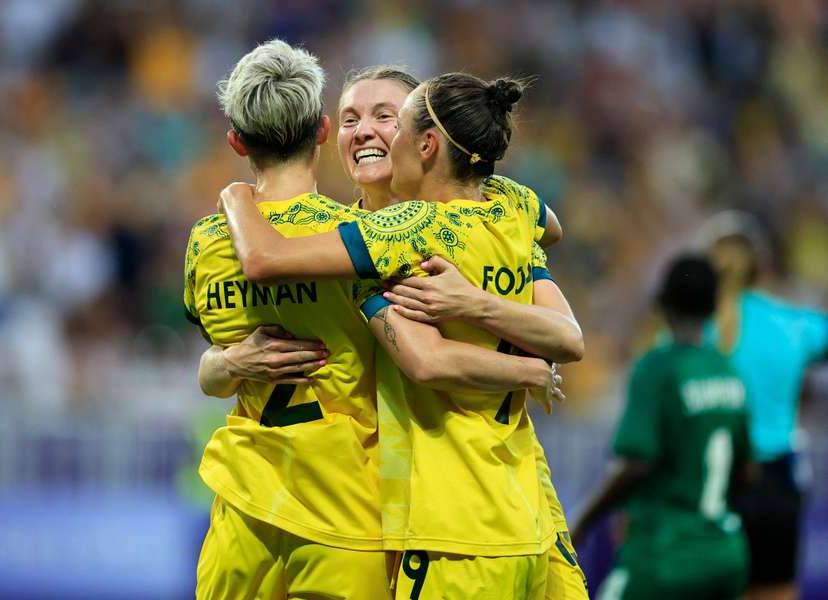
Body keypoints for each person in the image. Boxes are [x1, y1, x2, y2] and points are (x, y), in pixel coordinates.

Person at [187, 41, 561, 599]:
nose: (365, 130)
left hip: (469, 505)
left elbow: (546, 330)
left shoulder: (215, 240)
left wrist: (237, 199)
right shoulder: (359, 237)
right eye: (351, 118)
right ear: (322, 132)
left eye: (387, 117)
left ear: (423, 139)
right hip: (380, 515)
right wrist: (227, 361)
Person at [571, 255, 754, 600]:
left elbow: (637, 464)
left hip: (663, 552)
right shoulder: (728, 371)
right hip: (724, 553)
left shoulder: (657, 367)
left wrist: (583, 519)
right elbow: (746, 473)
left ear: (663, 303)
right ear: (714, 306)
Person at [703, 211, 828, 600]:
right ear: (762, 267)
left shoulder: (693, 331)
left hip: (713, 483)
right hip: (778, 484)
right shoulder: (793, 324)